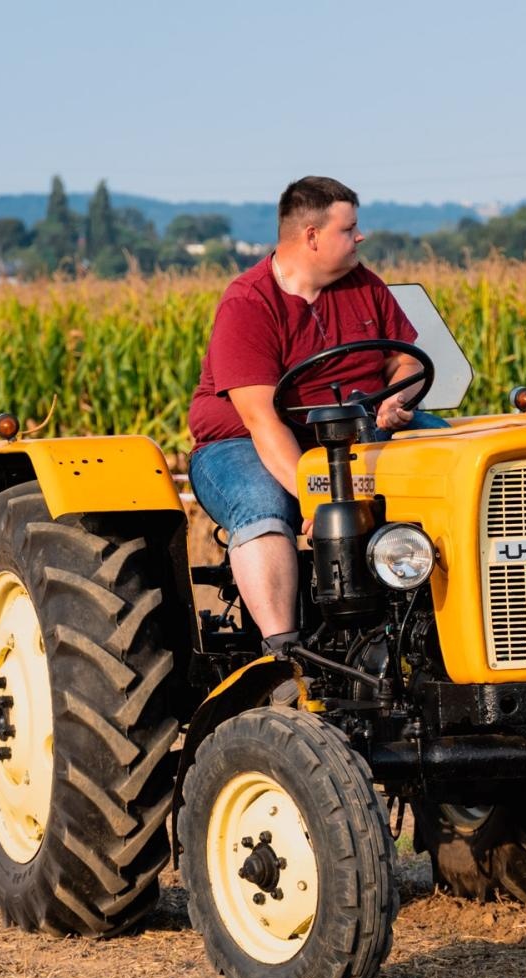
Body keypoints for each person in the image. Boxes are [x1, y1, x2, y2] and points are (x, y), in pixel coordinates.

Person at [187, 176, 444, 654]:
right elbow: (263, 422)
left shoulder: (363, 284)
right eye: (349, 229)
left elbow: (406, 359)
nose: (360, 237)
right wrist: (315, 499)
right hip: (245, 442)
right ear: (311, 236)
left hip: (359, 429)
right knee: (263, 511)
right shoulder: (249, 302)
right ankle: (284, 653)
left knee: (452, 465)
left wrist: (397, 397)